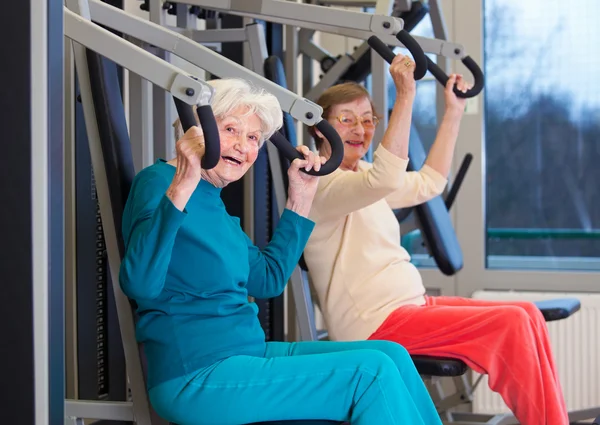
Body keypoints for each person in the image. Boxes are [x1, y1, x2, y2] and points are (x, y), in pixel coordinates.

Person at [119, 78, 444, 425]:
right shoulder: (158, 182)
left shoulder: (216, 205)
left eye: (253, 138)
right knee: (371, 372)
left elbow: (268, 279)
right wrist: (181, 186)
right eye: (231, 129)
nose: (243, 147)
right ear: (197, 131)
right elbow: (140, 283)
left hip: (247, 353)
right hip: (196, 374)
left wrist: (300, 198)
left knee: (390, 354)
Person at [304, 54, 569, 425]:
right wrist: (407, 94)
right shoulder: (322, 185)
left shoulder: (362, 174)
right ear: (320, 129)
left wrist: (454, 112)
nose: (359, 129)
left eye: (367, 120)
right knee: (510, 323)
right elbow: (383, 179)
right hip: (375, 324)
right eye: (346, 119)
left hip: (412, 306)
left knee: (526, 313)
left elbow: (430, 182)